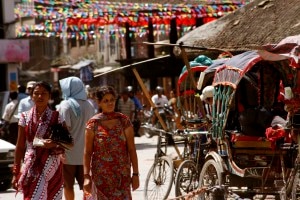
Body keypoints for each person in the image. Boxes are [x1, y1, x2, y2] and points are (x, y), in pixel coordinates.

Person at [83, 85, 139, 200]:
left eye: (112, 100)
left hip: (122, 177)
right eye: (106, 101)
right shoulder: (93, 124)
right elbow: (87, 152)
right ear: (99, 103)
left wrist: (135, 174)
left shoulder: (124, 121)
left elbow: (132, 149)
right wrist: (86, 176)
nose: (110, 103)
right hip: (101, 178)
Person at [12, 81, 65, 199]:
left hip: (53, 166)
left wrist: (53, 144)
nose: (40, 96)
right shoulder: (24, 117)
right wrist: (16, 171)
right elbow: (20, 146)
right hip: (32, 166)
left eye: (44, 93)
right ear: (31, 96)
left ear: (49, 96)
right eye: (36, 93)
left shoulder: (57, 117)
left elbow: (66, 142)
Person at [57, 76, 95, 200]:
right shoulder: (89, 105)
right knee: (87, 186)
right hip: (86, 154)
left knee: (68, 186)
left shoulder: (65, 105)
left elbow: (64, 131)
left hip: (69, 154)